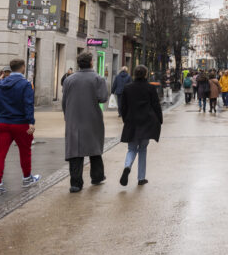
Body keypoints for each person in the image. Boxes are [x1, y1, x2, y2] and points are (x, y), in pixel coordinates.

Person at [0, 59, 41, 196]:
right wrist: (31, 121)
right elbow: (28, 104)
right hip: (21, 123)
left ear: (11, 69)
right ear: (23, 67)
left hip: (3, 123)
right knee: (25, 152)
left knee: (0, 154)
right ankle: (26, 178)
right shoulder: (25, 84)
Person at [62, 52, 109, 193]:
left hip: (73, 118)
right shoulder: (97, 78)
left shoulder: (69, 79)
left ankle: (75, 183)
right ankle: (97, 176)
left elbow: (64, 101)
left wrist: (67, 116)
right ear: (91, 62)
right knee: (94, 148)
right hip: (92, 117)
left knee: (75, 150)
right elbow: (103, 98)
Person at [119, 65, 163, 187]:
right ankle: (141, 178)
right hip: (146, 122)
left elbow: (123, 107)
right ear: (145, 74)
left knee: (131, 149)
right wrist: (159, 119)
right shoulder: (150, 88)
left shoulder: (127, 88)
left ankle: (127, 166)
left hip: (132, 123)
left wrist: (125, 119)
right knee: (143, 149)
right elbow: (156, 105)